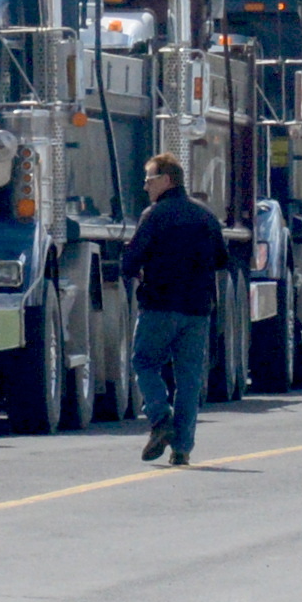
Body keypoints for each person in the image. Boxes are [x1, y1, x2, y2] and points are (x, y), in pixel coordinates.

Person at [125, 153, 225, 467]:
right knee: (189, 379)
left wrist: (141, 271)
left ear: (167, 180)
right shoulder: (206, 216)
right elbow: (222, 259)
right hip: (197, 310)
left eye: (149, 179)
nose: (145, 186)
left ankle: (159, 416)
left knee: (144, 362)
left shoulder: (153, 215)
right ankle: (182, 448)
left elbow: (130, 261)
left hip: (158, 306)